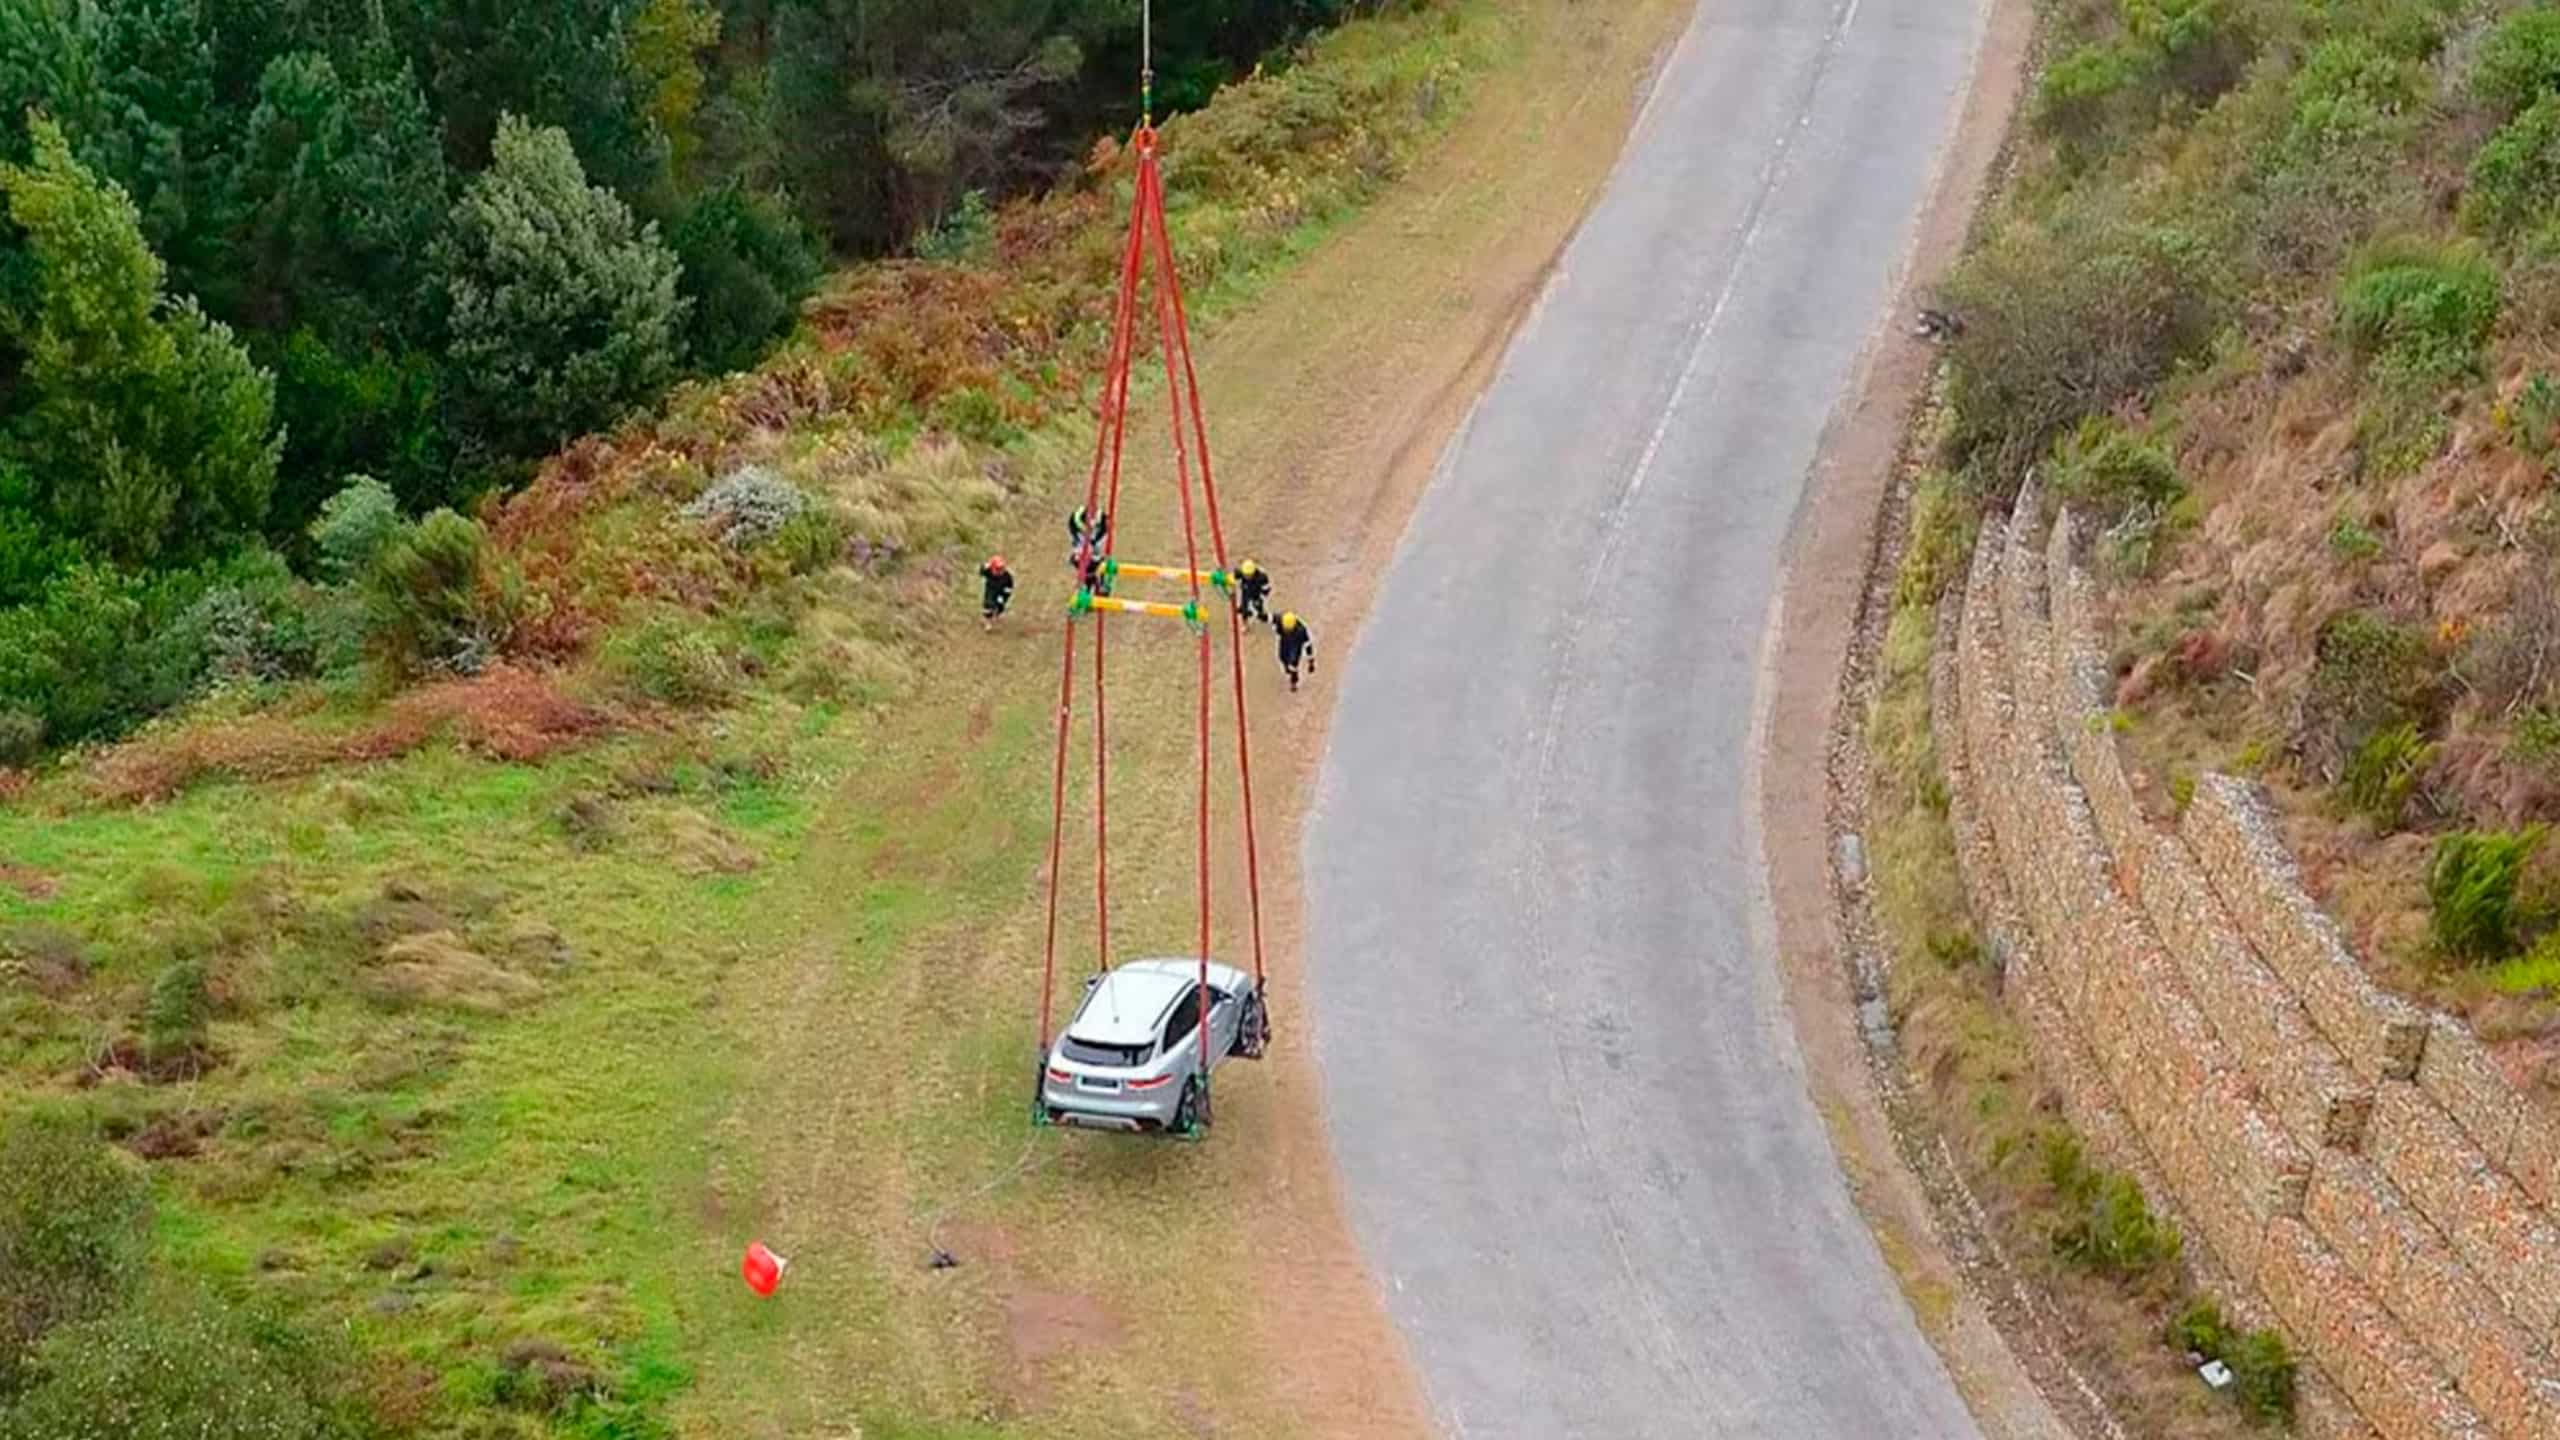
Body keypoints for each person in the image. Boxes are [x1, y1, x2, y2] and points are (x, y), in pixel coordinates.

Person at [1275, 612, 1316, 691]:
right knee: (1282, 657)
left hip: (1296, 646)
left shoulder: (1302, 631)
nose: (1287, 630)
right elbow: (1269, 618)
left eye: (1288, 630)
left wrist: (1311, 662)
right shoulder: (1280, 621)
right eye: (1285, 629)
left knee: (1293, 664)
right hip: (1285, 643)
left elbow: (1308, 646)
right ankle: (1287, 668)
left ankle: (1293, 683)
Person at [1233, 558, 1272, 626]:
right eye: (1245, 575)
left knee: (1258, 608)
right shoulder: (1242, 572)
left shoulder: (1262, 577)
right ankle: (1245, 623)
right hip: (1246, 590)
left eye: (1249, 575)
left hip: (1257, 592)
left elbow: (1266, 590)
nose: (1246, 576)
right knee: (1244, 607)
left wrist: (1259, 600)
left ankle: (1262, 616)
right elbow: (1232, 577)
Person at [979, 556, 1014, 630]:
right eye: (998, 569)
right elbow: (981, 572)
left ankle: (998, 614)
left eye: (1001, 568)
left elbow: (1009, 587)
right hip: (990, 591)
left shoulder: (1007, 576)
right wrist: (984, 566)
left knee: (1000, 605)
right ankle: (987, 621)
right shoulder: (988, 571)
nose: (1000, 571)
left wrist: (1005, 596)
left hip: (1001, 592)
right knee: (988, 605)